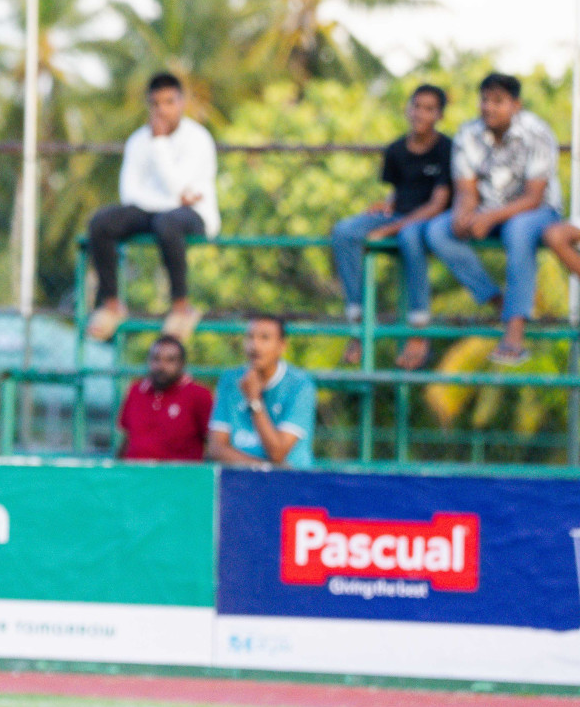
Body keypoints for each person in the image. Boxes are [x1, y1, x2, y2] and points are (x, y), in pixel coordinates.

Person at [424, 73, 562, 365]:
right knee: (438, 231)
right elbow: (466, 188)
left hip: (536, 212)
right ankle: (499, 303)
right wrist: (464, 212)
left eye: (498, 101)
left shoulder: (537, 132)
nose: (488, 107)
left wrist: (490, 216)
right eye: (485, 100)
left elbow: (534, 197)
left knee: (519, 231)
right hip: (487, 212)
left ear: (516, 105)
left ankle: (514, 332)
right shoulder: (467, 134)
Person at [86, 72, 219, 343]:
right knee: (100, 222)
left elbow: (181, 186)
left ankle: (181, 308)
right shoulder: (137, 141)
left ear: (182, 102)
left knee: (167, 222)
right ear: (149, 105)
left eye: (170, 102)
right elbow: (130, 193)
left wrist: (159, 144)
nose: (163, 110)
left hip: (195, 215)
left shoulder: (198, 138)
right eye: (156, 104)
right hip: (151, 211)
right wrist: (174, 199)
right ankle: (111, 305)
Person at [329, 84, 451, 370]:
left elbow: (438, 204)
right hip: (397, 216)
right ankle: (359, 325)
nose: (421, 113)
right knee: (344, 232)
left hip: (428, 222)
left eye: (429, 108)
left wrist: (389, 230)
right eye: (416, 106)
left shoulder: (447, 148)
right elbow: (398, 192)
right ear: (408, 108)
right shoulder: (396, 149)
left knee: (410, 237)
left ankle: (418, 331)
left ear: (440, 114)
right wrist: (386, 207)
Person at [207, 315, 316, 469]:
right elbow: (216, 448)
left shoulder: (300, 385)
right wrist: (263, 468)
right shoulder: (230, 380)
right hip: (242, 480)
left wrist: (254, 401)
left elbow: (277, 453)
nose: (255, 345)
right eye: (250, 337)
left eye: (265, 338)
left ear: (282, 346)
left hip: (290, 483)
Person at [117, 335, 213, 461]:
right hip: (135, 475)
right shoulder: (135, 391)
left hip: (177, 477)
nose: (161, 366)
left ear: (182, 363)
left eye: (170, 360)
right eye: (156, 359)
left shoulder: (199, 395)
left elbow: (212, 443)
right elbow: (127, 439)